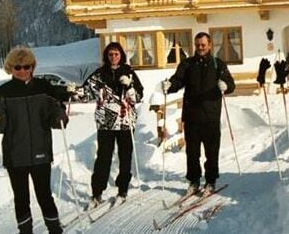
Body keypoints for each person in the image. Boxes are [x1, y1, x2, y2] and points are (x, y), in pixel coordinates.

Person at [0, 46, 71, 234]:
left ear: (32, 67)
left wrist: (60, 115)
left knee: (44, 196)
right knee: (21, 198)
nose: (23, 71)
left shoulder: (44, 88)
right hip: (15, 155)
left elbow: (55, 114)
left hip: (41, 151)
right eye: (18, 67)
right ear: (10, 68)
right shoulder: (2, 93)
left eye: (27, 67)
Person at [161, 32, 235, 196]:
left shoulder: (218, 64)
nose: (200, 48)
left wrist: (226, 86)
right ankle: (194, 181)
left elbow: (230, 83)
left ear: (209, 45)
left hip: (211, 116)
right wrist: (169, 86)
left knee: (211, 152)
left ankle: (210, 181)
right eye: (197, 45)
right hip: (192, 116)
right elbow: (178, 80)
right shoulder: (187, 64)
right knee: (192, 153)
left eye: (203, 45)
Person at [84, 42, 145, 205]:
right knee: (103, 157)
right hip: (106, 123)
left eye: (116, 54)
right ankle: (97, 192)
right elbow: (86, 92)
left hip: (125, 122)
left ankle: (122, 189)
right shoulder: (99, 74)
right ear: (106, 56)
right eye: (110, 54)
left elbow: (138, 97)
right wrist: (69, 92)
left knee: (125, 156)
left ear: (121, 55)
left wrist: (129, 86)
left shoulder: (129, 72)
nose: (113, 57)